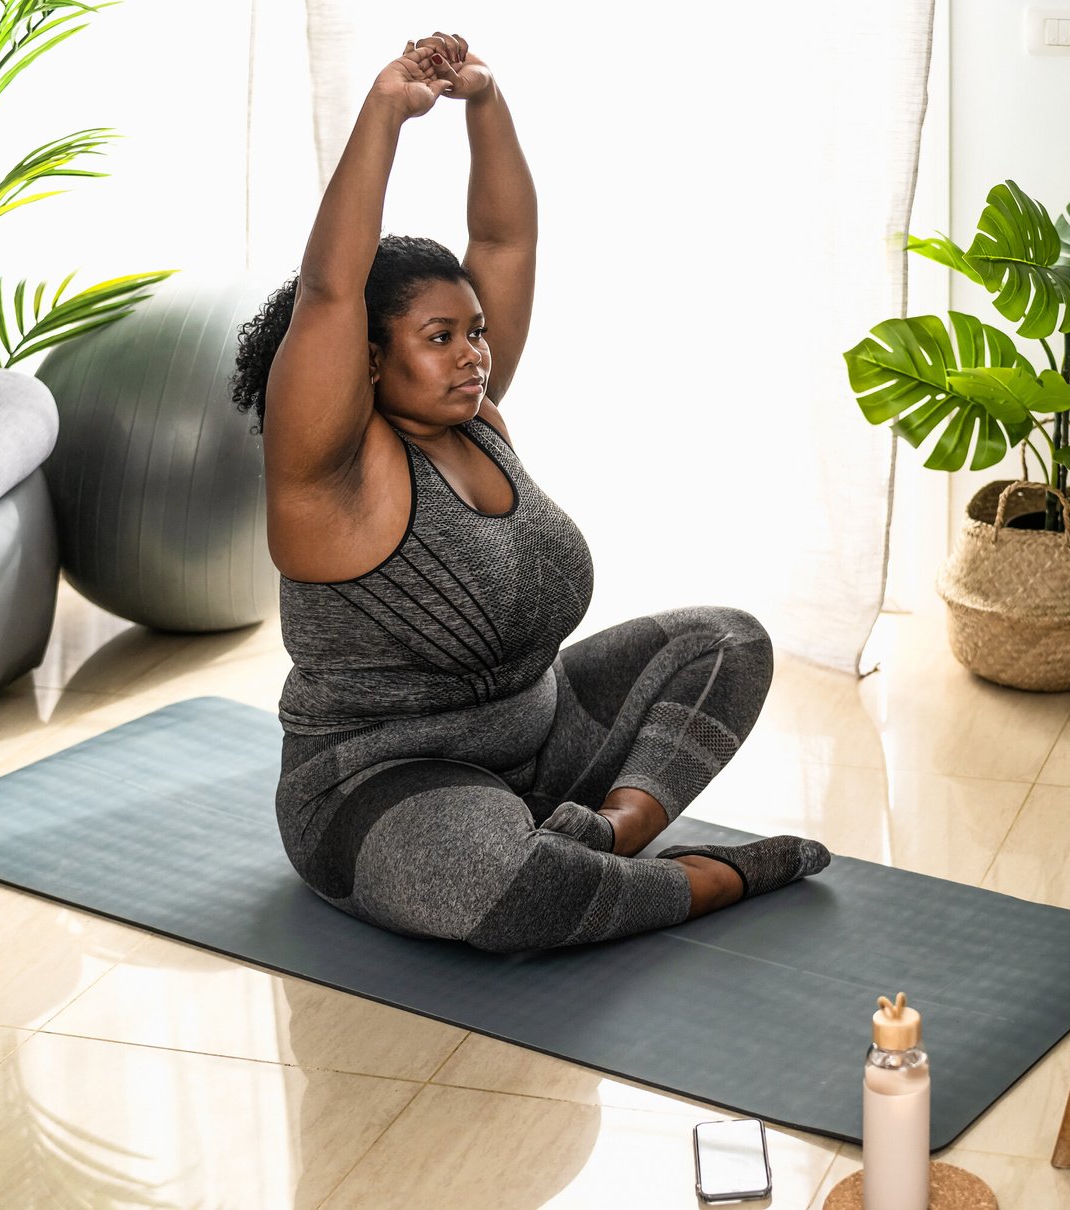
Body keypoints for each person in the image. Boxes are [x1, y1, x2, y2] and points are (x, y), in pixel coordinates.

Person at [230, 33, 830, 953]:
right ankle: (700, 880)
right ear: (366, 355)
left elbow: (507, 237)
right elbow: (328, 288)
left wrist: (484, 100)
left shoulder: (480, 418)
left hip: (544, 753)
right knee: (503, 888)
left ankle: (617, 836)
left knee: (725, 641)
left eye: (475, 331)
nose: (474, 352)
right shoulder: (330, 482)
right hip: (384, 789)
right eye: (441, 337)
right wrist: (388, 109)